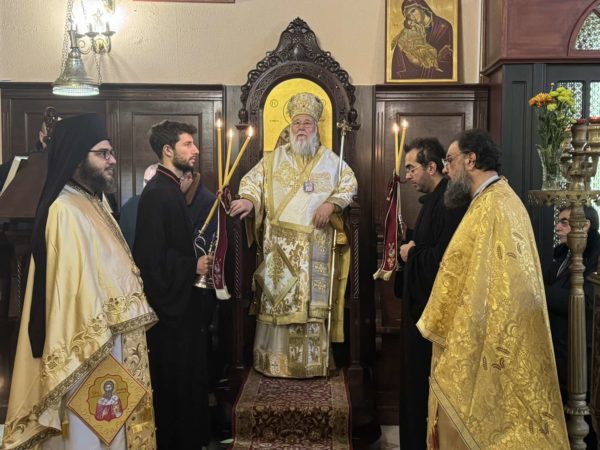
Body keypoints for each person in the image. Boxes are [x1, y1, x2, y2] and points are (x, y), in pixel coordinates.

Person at [2, 113, 158, 450]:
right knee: (92, 433)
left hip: (112, 341)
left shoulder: (91, 201)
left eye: (111, 152)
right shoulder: (65, 209)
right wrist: (100, 340)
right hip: (89, 349)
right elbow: (71, 292)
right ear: (76, 158)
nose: (112, 160)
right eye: (102, 153)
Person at [417, 129, 568, 448]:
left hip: (491, 339)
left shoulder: (494, 205)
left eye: (450, 160)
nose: (446, 169)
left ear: (471, 160)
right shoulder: (493, 200)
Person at [229, 92, 358, 378]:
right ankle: (273, 362)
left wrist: (332, 203)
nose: (301, 128)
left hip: (315, 245)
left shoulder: (331, 161)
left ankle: (311, 364)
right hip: (280, 246)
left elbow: (349, 184)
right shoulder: (272, 160)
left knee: (310, 308)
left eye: (307, 123)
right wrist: (249, 200)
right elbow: (252, 182)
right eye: (297, 123)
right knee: (280, 300)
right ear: (289, 128)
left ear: (316, 128)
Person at [133, 120, 213, 449]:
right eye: (187, 144)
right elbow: (150, 261)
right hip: (170, 319)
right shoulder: (158, 194)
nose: (195, 150)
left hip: (182, 310)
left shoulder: (170, 188)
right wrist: (192, 265)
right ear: (168, 150)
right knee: (175, 386)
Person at [394, 138, 466, 450]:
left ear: (432, 167)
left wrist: (411, 253)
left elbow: (444, 261)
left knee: (423, 391)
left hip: (432, 320)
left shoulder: (449, 203)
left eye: (412, 168)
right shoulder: (435, 200)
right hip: (420, 313)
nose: (407, 176)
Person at [544, 206, 599, 449]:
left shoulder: (595, 257)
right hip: (558, 351)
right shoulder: (562, 255)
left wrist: (539, 292)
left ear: (584, 225)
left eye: (565, 222)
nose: (558, 227)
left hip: (580, 356)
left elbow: (585, 302)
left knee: (584, 425)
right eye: (559, 221)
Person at [391, 0, 453, 80]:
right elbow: (398, 64)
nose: (412, 16)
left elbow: (448, 63)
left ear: (422, 7)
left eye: (413, 11)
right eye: (408, 16)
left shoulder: (443, 27)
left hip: (437, 81)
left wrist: (420, 63)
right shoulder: (410, 31)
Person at [118, 163, 158, 249]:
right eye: (146, 181)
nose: (148, 186)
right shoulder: (129, 206)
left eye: (153, 182)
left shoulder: (172, 205)